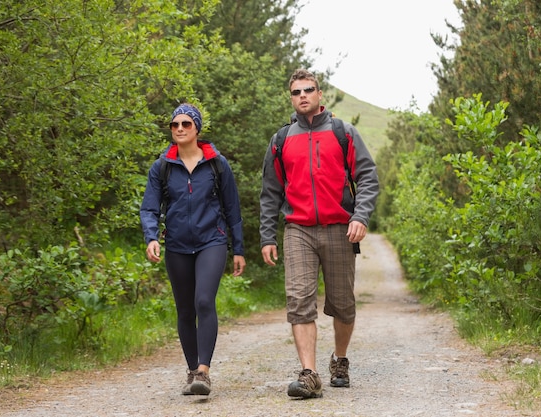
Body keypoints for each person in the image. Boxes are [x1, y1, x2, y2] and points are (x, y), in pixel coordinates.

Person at [259, 69, 379, 399]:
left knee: (342, 304)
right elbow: (270, 192)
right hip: (298, 229)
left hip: (340, 228)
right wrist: (267, 236)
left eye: (308, 90)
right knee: (299, 301)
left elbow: (368, 177)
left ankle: (339, 360)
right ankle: (309, 374)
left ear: (319, 94)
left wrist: (361, 216)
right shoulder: (281, 140)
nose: (302, 96)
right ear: (291, 98)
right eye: (296, 92)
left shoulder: (343, 133)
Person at [140, 103, 246, 396]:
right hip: (176, 245)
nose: (180, 129)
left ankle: (203, 370)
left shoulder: (216, 164)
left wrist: (238, 249)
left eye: (186, 124)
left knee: (203, 301)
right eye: (175, 125)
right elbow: (149, 208)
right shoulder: (162, 167)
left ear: (197, 128)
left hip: (212, 241)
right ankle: (192, 373)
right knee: (185, 309)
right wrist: (151, 237)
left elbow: (232, 208)